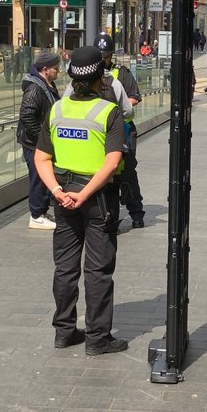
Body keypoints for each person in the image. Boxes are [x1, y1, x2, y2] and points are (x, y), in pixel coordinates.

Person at [34, 46, 127, 356]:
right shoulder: (108, 112)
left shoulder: (57, 110)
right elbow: (112, 162)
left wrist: (58, 192)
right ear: (102, 77)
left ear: (72, 77)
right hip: (97, 198)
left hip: (63, 196)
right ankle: (98, 338)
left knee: (65, 267)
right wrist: (85, 194)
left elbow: (41, 158)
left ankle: (63, 332)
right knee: (98, 270)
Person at [95, 32, 146, 228]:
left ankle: (136, 213)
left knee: (127, 172)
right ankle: (106, 214)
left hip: (123, 130)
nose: (103, 60)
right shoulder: (91, 74)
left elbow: (135, 98)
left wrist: (118, 106)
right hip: (100, 131)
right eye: (100, 57)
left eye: (105, 57)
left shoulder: (122, 73)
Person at [17, 51, 61, 230]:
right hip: (34, 143)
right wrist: (41, 140)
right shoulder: (35, 88)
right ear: (45, 70)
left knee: (43, 176)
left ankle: (41, 212)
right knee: (39, 178)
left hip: (39, 142)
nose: (59, 71)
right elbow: (27, 115)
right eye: (56, 69)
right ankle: (36, 215)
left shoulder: (46, 84)